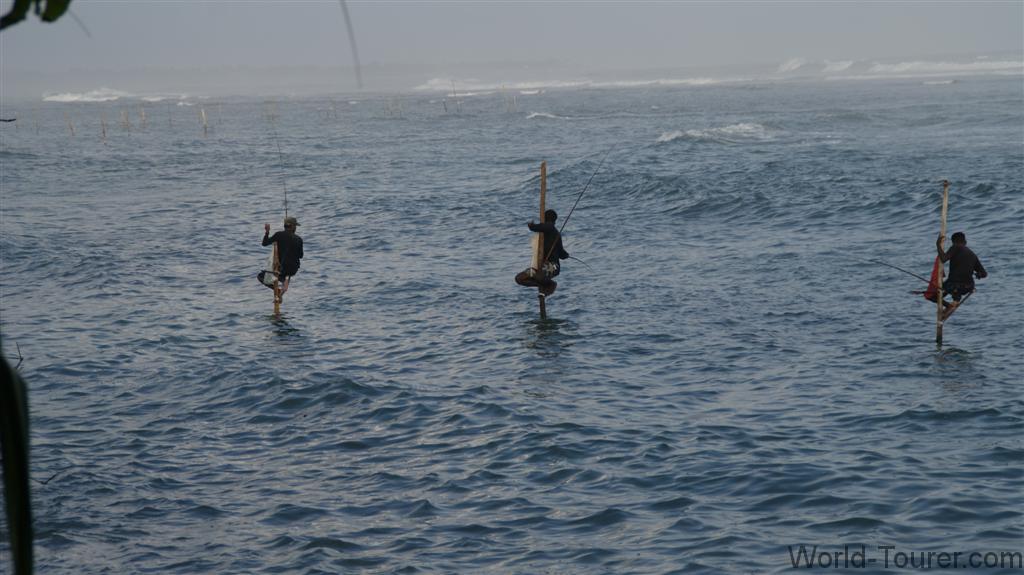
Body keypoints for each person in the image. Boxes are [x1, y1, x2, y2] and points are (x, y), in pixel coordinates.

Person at [515, 209, 569, 296]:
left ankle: (550, 285)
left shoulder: (552, 230)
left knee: (539, 275)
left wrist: (532, 226)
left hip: (553, 265)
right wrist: (565, 255)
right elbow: (562, 255)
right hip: (539, 266)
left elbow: (561, 253)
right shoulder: (544, 231)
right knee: (519, 278)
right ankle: (544, 284)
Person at [934, 231, 986, 314]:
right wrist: (978, 274)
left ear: (953, 242)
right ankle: (954, 301)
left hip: (954, 286)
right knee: (947, 289)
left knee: (933, 295)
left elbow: (943, 259)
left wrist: (938, 245)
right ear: (965, 242)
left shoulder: (955, 247)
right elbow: (984, 274)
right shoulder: (972, 254)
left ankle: (949, 305)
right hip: (968, 287)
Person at [262, 216, 304, 297]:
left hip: (282, 268)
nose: (296, 228)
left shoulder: (279, 235)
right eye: (295, 226)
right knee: (286, 272)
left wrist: (267, 232)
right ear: (292, 226)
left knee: (260, 277)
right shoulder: (299, 239)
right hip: (293, 269)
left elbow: (265, 243)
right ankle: (284, 283)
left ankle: (279, 288)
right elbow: (301, 256)